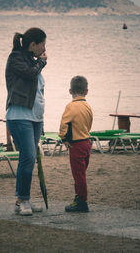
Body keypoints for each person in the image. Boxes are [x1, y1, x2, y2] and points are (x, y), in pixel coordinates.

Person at [5, 27, 47, 216]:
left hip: (35, 119)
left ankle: (26, 199)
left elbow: (38, 93)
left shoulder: (32, 62)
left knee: (30, 160)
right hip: (19, 116)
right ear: (33, 44)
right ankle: (20, 201)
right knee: (27, 157)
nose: (44, 48)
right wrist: (42, 63)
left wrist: (42, 121)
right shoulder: (15, 58)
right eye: (43, 44)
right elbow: (30, 74)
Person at [59, 75, 93, 212]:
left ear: (70, 91)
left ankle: (82, 202)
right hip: (87, 142)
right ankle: (79, 197)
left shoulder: (70, 106)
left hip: (76, 145)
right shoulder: (88, 106)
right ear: (86, 91)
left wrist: (64, 139)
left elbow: (64, 125)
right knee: (82, 173)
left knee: (78, 175)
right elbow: (89, 123)